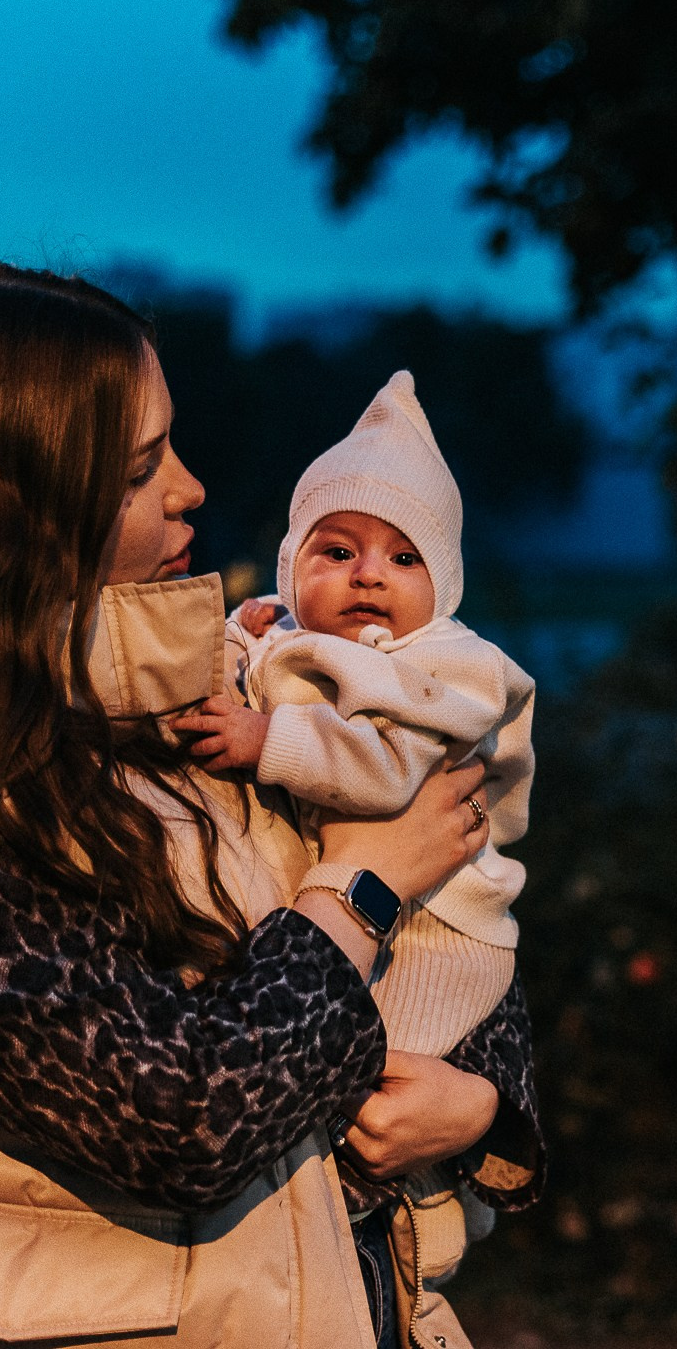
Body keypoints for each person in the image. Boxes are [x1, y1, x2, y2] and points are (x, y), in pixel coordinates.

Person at [0, 263, 541, 1349]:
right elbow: (180, 1113)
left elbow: (456, 897)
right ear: (0, 509)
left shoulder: (169, 705)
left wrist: (487, 1103)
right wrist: (362, 885)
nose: (192, 487)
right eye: (135, 470)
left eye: (172, 443)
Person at [177, 370, 536, 1288]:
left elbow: (386, 772)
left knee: (383, 1086)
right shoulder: (305, 642)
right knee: (350, 1098)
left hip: (441, 930)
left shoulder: (445, 673)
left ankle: (436, 1215)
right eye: (336, 551)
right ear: (294, 563)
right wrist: (241, 636)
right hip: (369, 918)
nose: (369, 574)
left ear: (444, 584)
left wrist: (267, 739)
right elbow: (265, 675)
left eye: (404, 559)